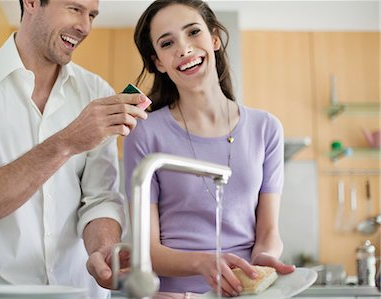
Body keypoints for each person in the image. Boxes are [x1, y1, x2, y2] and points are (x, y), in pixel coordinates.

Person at [0, 0, 147, 298]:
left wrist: (103, 250)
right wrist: (68, 142)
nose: (85, 26)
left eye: (92, 15)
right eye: (74, 8)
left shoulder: (97, 92)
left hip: (79, 293)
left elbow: (100, 198)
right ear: (31, 2)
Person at [123, 0, 295, 296]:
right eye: (167, 43)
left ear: (214, 38)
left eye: (193, 32)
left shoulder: (266, 128)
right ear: (159, 62)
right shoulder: (144, 134)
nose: (184, 48)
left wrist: (264, 259)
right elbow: (146, 249)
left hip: (244, 292)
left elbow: (268, 231)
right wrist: (203, 262)